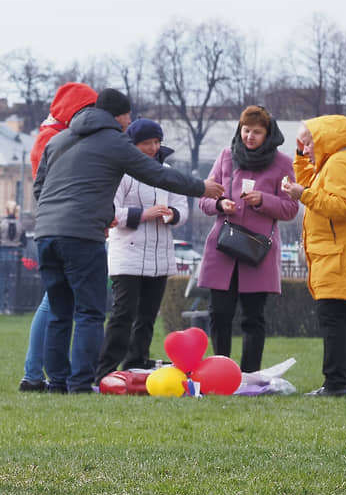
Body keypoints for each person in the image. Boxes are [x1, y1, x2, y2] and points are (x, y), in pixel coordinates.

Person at [33, 88, 224, 393]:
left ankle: (57, 381)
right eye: (128, 116)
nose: (128, 122)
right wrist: (201, 187)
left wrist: (56, 216)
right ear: (120, 116)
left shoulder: (58, 140)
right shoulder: (113, 142)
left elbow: (40, 186)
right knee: (89, 312)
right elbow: (157, 174)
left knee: (59, 311)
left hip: (45, 233)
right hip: (82, 235)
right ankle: (80, 383)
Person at [281, 115, 346, 396]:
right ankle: (343, 379)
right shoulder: (338, 160)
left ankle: (336, 382)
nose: (308, 148)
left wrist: (303, 194)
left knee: (332, 317)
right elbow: (309, 181)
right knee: (342, 316)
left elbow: (341, 207)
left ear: (325, 138)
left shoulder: (339, 163)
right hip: (341, 250)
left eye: (310, 142)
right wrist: (302, 156)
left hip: (339, 252)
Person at [197, 105, 299, 373]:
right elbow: (204, 199)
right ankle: (221, 370)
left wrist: (263, 200)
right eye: (246, 130)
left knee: (253, 317)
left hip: (257, 252)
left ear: (268, 134)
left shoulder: (282, 164)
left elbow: (290, 208)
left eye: (257, 132)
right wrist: (220, 205)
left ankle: (250, 374)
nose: (250, 137)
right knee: (219, 313)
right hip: (223, 249)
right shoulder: (226, 156)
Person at [94, 120, 190, 384]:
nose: (153, 148)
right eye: (147, 143)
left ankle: (136, 361)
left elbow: (183, 207)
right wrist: (144, 214)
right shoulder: (122, 173)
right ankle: (105, 368)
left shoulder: (167, 171)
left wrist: (172, 215)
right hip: (127, 255)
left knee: (148, 315)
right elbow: (110, 211)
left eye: (156, 142)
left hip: (159, 255)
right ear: (134, 145)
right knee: (123, 314)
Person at [18, 82, 98, 392]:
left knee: (54, 303)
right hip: (64, 227)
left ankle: (36, 372)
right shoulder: (57, 140)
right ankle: (35, 372)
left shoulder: (49, 137)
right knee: (54, 304)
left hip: (52, 226)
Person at [0, 200, 26, 314]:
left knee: (0, 281)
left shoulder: (0, 224)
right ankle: (11, 307)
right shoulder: (20, 225)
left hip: (1, 253)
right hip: (15, 255)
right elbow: (24, 242)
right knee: (12, 282)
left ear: (6, 210)